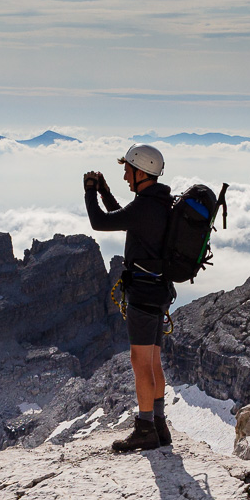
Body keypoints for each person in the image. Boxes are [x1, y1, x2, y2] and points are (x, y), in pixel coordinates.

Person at [84, 144, 174, 453]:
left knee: (140, 363)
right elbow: (123, 217)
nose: (124, 176)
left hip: (143, 295)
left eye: (127, 170)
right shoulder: (158, 203)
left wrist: (90, 192)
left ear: (141, 172)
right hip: (159, 291)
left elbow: (100, 222)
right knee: (153, 361)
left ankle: (145, 428)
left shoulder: (144, 207)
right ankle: (160, 425)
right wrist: (106, 192)